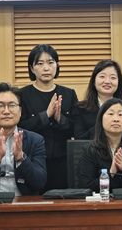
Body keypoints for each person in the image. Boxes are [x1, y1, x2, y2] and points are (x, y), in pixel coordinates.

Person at [18, 44, 79, 191]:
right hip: (32, 160)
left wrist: (59, 119)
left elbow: (76, 129)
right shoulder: (22, 95)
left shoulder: (69, 94)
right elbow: (20, 127)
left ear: (57, 66)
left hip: (62, 161)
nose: (46, 68)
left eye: (50, 62)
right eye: (40, 63)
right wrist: (45, 115)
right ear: (32, 68)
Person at [78, 98, 122, 191]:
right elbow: (85, 186)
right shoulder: (89, 150)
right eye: (111, 114)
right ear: (101, 118)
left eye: (120, 114)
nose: (116, 119)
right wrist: (110, 173)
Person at [75, 59, 122, 139]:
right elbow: (79, 140)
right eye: (102, 76)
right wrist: (103, 125)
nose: (107, 81)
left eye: (113, 78)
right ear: (93, 81)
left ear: (119, 82)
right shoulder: (81, 108)